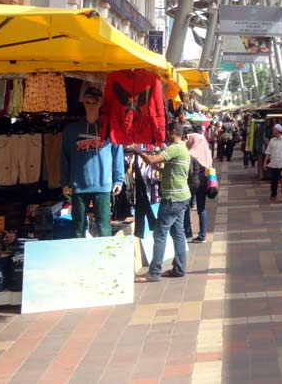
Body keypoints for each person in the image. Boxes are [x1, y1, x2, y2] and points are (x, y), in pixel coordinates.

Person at [61, 86, 124, 237]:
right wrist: (64, 182)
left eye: (94, 100)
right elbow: (64, 157)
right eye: (88, 100)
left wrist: (119, 179)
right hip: (78, 186)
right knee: (78, 228)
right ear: (83, 102)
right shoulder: (71, 130)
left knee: (104, 227)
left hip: (102, 185)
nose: (91, 104)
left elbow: (117, 153)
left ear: (100, 102)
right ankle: (80, 252)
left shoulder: (109, 129)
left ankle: (105, 253)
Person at [134, 122, 191, 282]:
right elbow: (174, 170)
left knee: (160, 233)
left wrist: (139, 151)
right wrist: (158, 169)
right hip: (182, 197)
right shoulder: (184, 149)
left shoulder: (175, 148)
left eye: (167, 132)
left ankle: (154, 272)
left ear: (172, 132)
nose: (165, 135)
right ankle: (179, 269)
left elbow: (152, 160)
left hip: (172, 198)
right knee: (177, 232)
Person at [184, 125, 213, 243]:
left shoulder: (191, 154)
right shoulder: (205, 152)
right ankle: (202, 235)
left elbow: (189, 172)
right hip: (204, 182)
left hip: (192, 183)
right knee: (201, 209)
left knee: (185, 206)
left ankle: (187, 232)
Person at [264, 124, 282, 202]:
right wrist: (265, 163)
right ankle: (273, 194)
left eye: (274, 129)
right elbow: (268, 152)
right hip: (274, 164)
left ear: (278, 131)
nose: (272, 131)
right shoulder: (272, 140)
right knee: (274, 181)